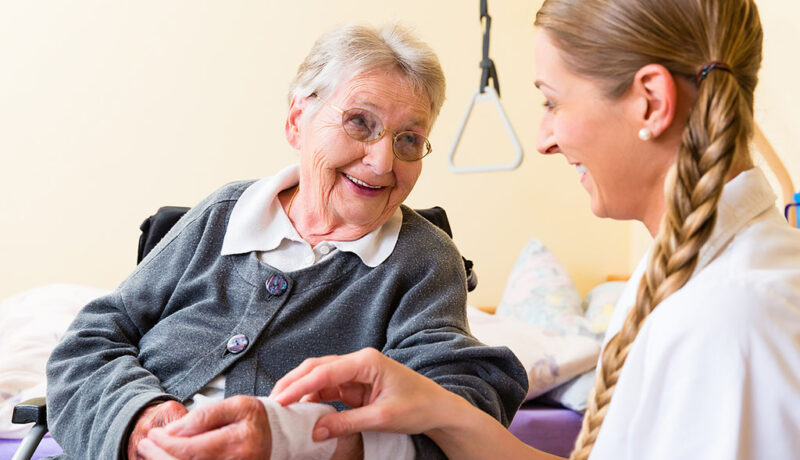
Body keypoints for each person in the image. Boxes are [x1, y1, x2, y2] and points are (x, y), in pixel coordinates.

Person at [271, 0, 800, 459]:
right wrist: (439, 410)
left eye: (552, 101)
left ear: (652, 102)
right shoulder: (684, 276)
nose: (544, 139)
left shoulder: (731, 317)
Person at [45, 23, 527, 460]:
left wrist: (297, 437)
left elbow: (462, 407)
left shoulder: (421, 260)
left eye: (408, 139)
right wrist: (138, 421)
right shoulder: (224, 214)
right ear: (298, 120)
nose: (383, 161)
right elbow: (91, 340)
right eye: (360, 122)